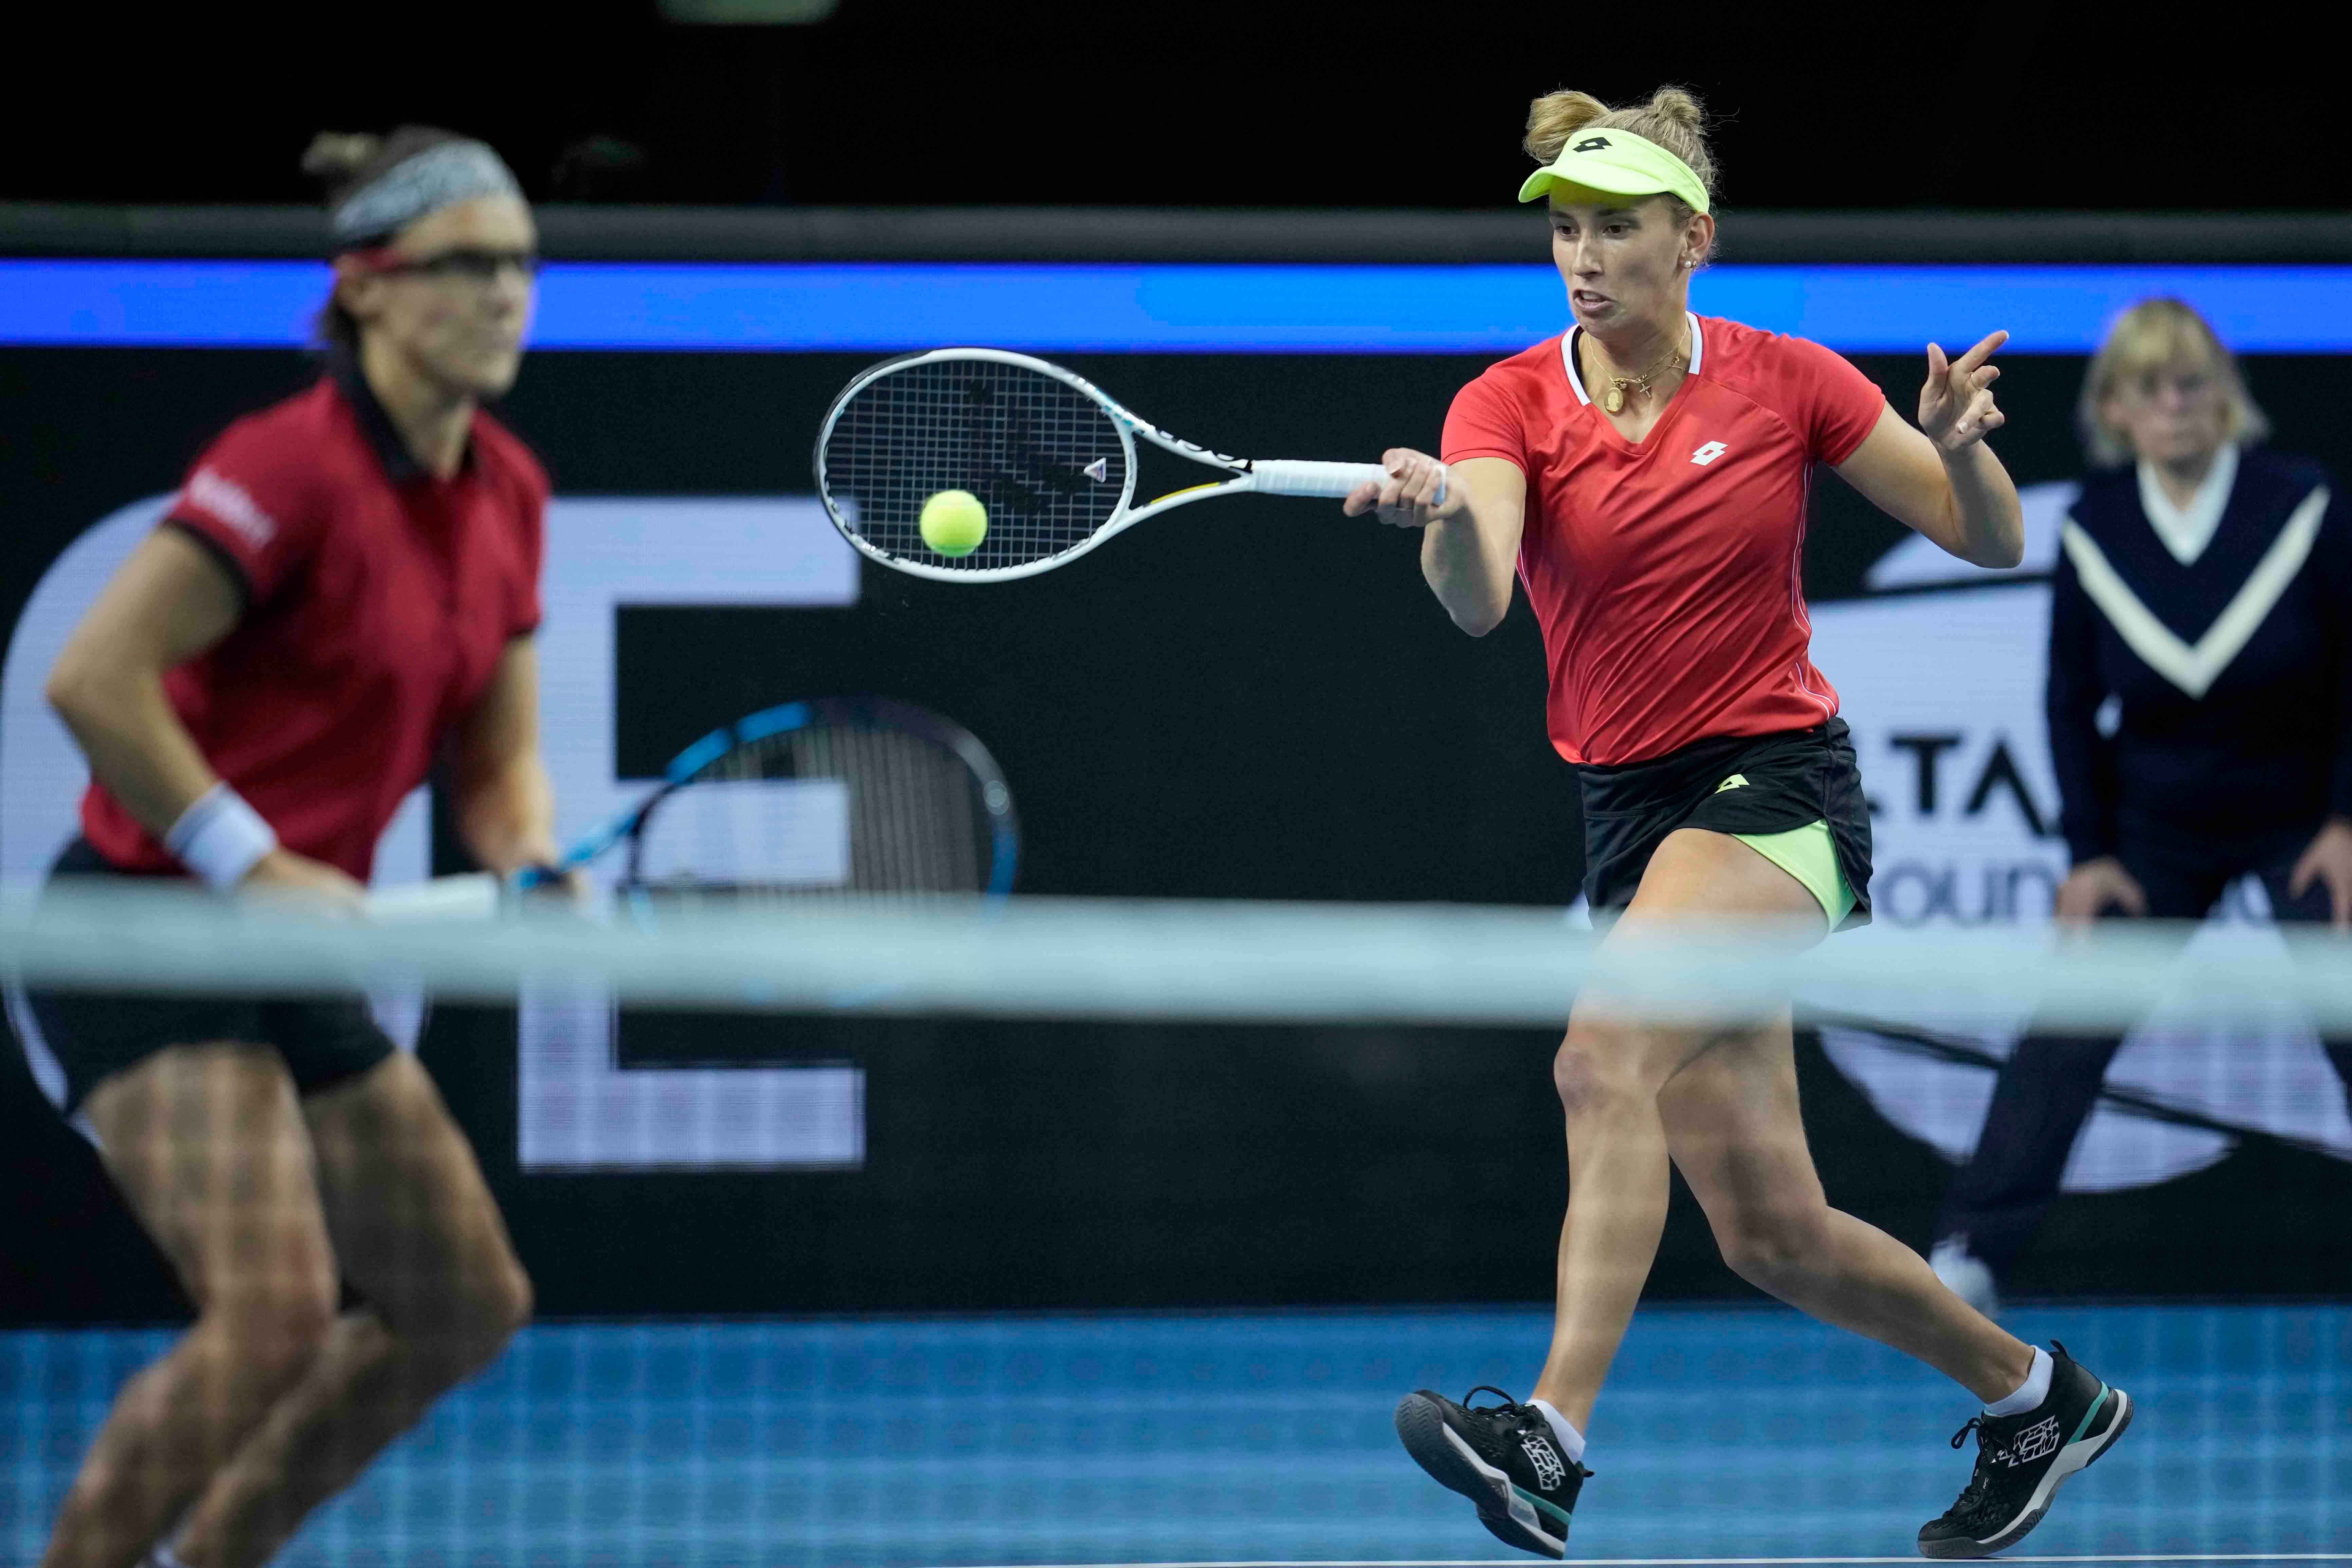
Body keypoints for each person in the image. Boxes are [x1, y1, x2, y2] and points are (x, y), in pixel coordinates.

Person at [1345, 88, 2131, 1560]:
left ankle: (1549, 1442)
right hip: (1633, 814)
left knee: (1599, 1056)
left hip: (1775, 789)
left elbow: (1989, 535)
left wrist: (1959, 445)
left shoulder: (1789, 381)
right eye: (1567, 231)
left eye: (1618, 229)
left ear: (1690, 237)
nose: (1584, 257)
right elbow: (1481, 602)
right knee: (1769, 1235)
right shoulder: (1504, 403)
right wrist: (1444, 516)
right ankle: (2037, 1399)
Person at [20, 126, 561, 1568]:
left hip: (289, 954)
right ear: (369, 285)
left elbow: (498, 763)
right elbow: (95, 678)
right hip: (152, 929)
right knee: (273, 1313)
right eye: (466, 265)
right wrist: (252, 863)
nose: (505, 294)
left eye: (520, 264)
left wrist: (532, 861)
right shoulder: (290, 467)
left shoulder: (507, 490)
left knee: (464, 1302)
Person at [1930, 298, 2352, 1313]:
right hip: (2155, 830)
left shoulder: (2305, 502)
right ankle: (1973, 1249)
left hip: (2301, 819)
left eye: (2193, 381)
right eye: (2149, 387)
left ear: (2225, 396)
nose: (2175, 404)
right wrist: (2090, 853)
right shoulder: (2096, 527)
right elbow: (2070, 700)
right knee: (2070, 1024)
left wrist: (2344, 820)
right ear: (2115, 408)